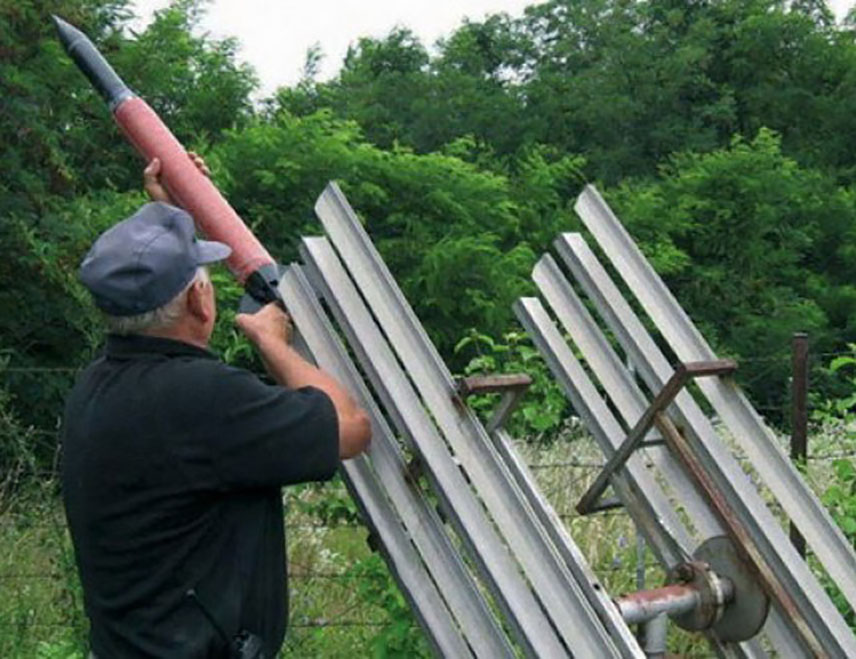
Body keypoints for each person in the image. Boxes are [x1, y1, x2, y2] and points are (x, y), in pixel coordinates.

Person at [61, 154, 372, 658]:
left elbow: (158, 298)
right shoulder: (204, 400)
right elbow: (352, 428)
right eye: (203, 282)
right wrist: (271, 342)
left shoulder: (97, 385)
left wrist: (174, 220)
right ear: (201, 302)